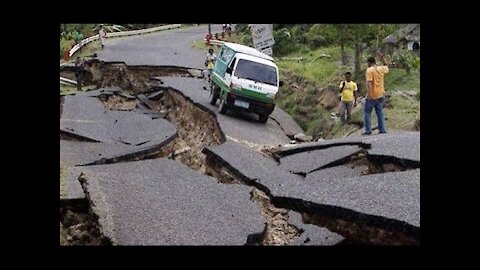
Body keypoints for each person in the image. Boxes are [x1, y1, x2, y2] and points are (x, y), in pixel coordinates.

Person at [363, 51, 389, 135]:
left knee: (367, 112)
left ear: (369, 63)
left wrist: (369, 95)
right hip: (380, 94)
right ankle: (382, 129)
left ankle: (368, 130)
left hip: (372, 95)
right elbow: (386, 65)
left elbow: (369, 83)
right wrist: (382, 57)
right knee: (380, 112)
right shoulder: (381, 69)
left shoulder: (369, 70)